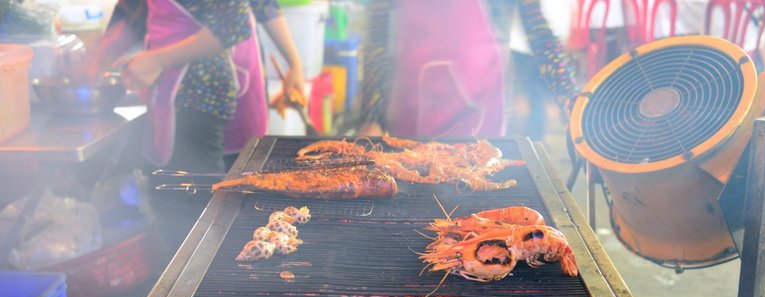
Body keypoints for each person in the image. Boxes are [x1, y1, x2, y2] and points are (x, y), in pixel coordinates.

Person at [90, 0, 305, 174]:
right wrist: (99, 55)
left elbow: (236, 24)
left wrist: (158, 59)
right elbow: (132, 9)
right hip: (181, 89)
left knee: (204, 193)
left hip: (200, 92)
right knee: (203, 189)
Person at [357, 0, 578, 139]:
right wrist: (371, 117)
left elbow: (537, 30)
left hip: (480, 110)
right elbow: (378, 38)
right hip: (411, 109)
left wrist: (567, 93)